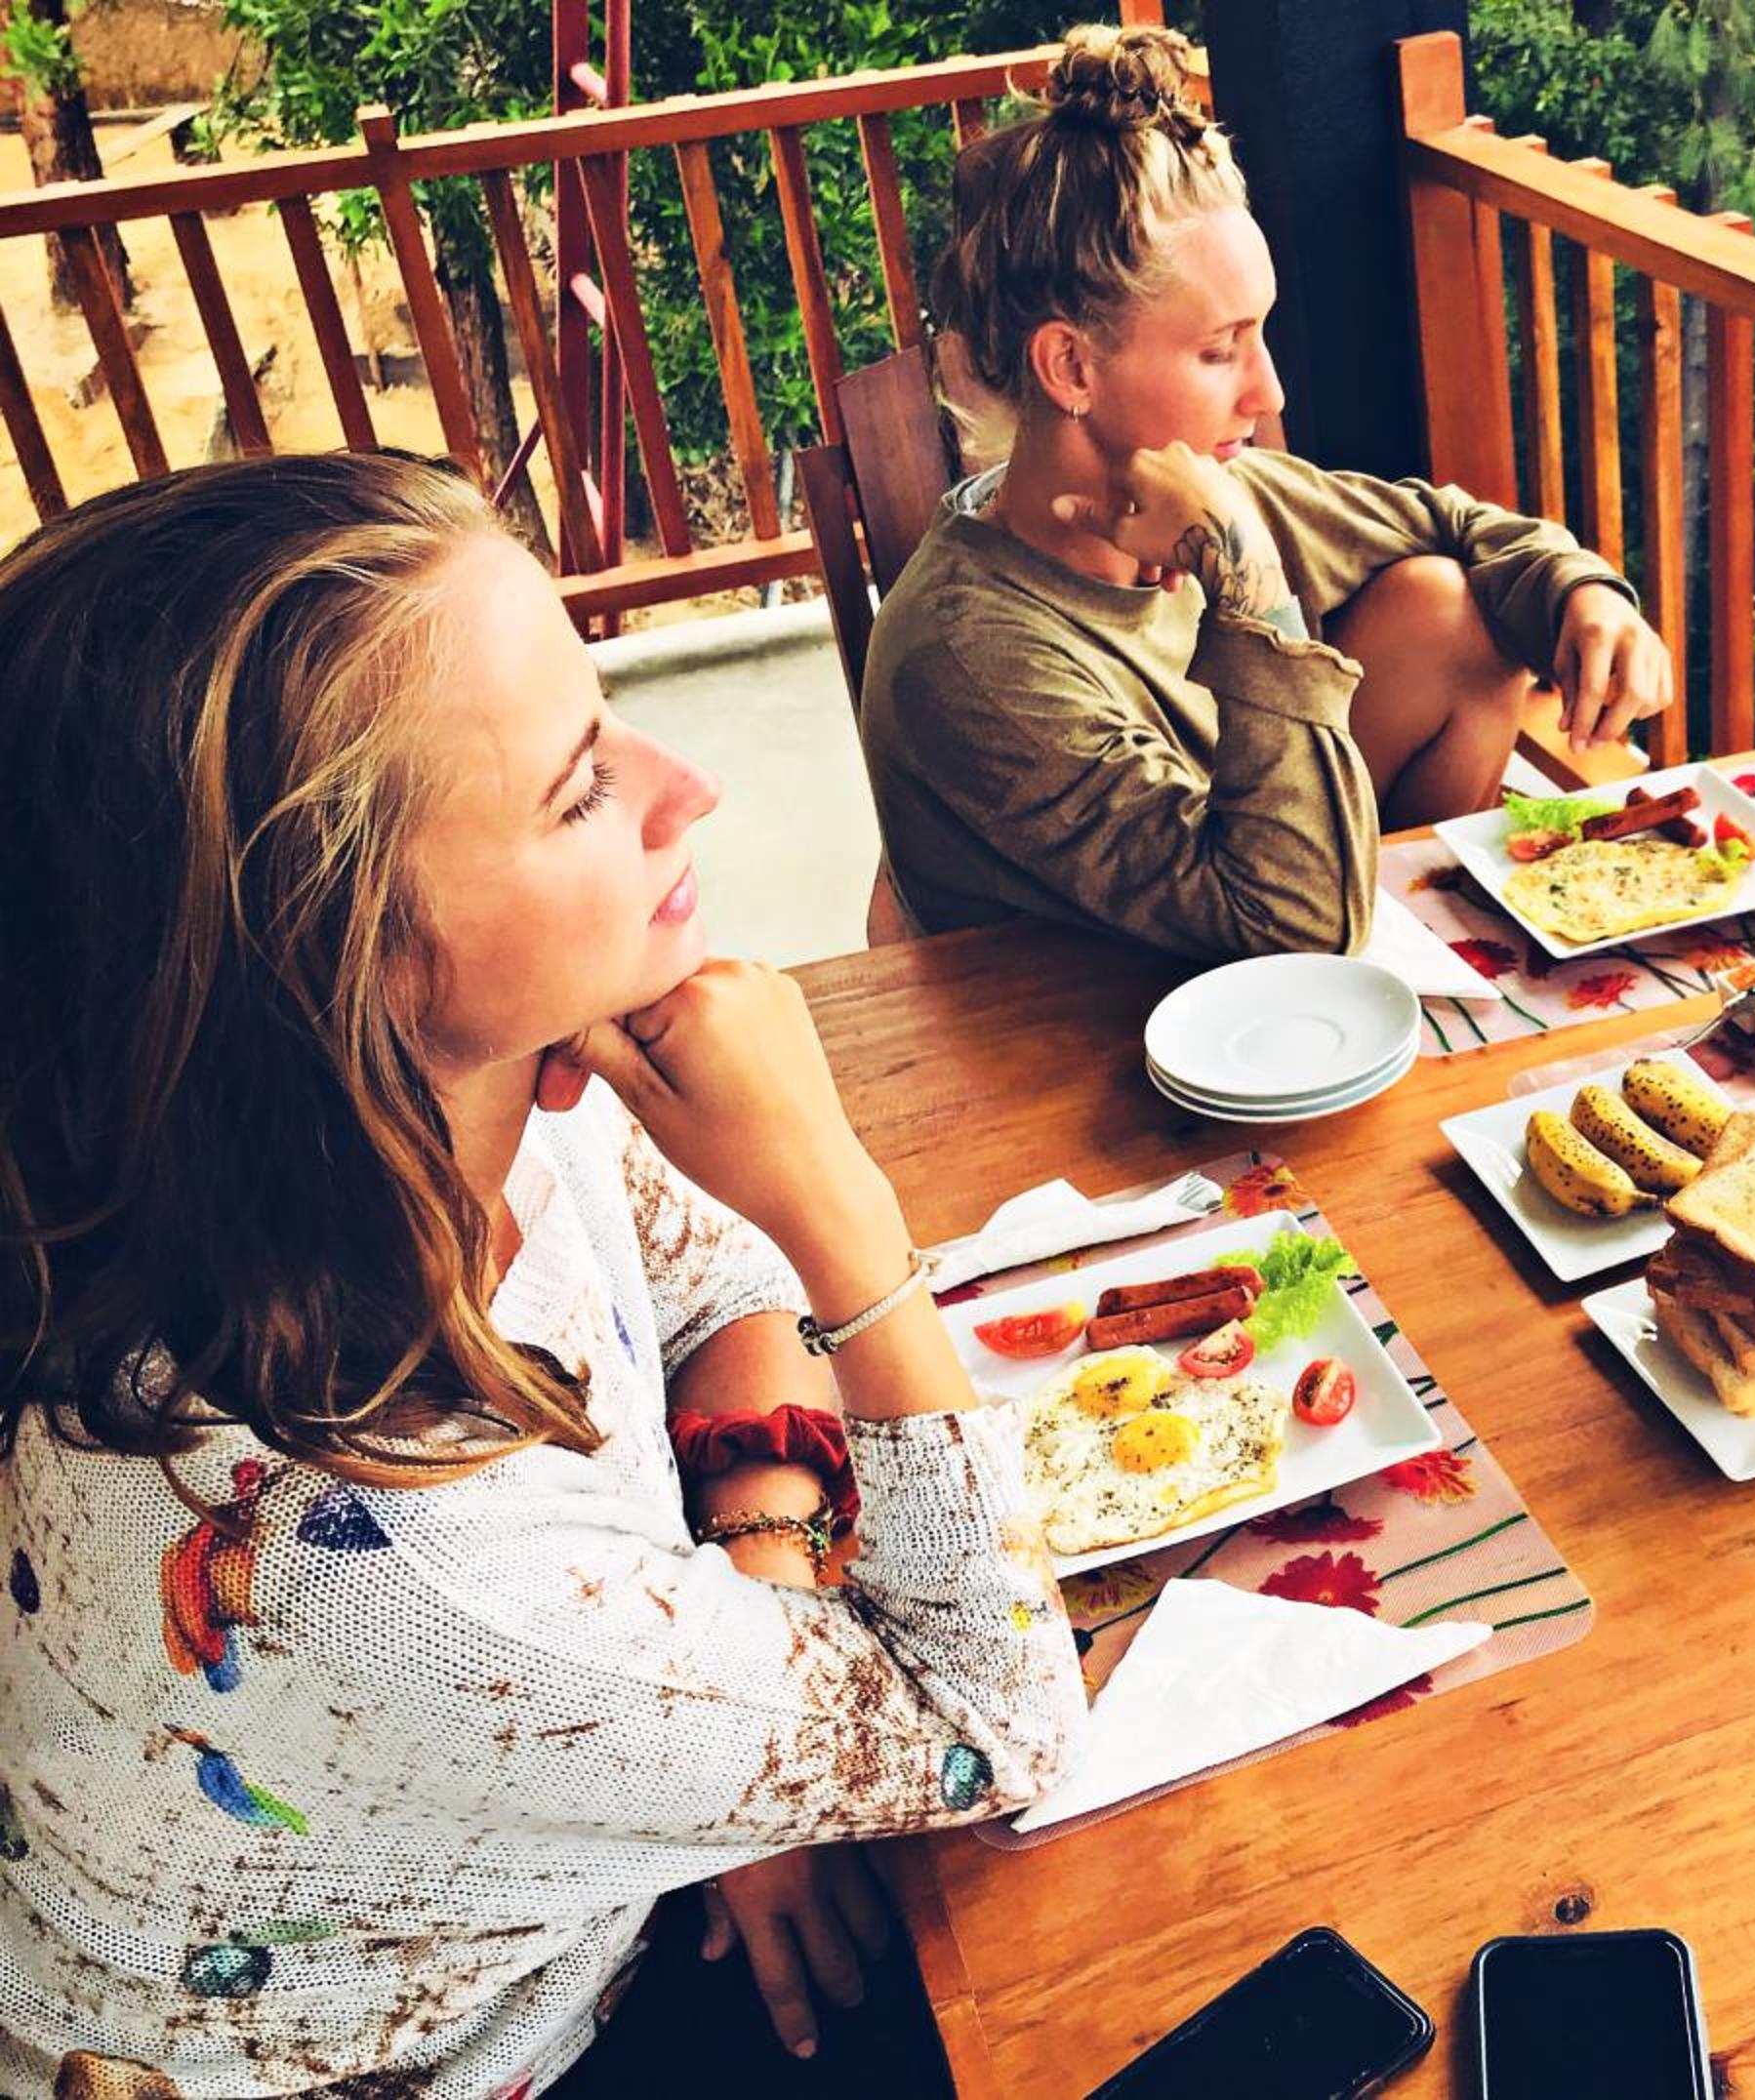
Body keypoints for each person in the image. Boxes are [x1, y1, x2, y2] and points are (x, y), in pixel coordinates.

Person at [0, 454, 1083, 2097]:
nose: (689, 786)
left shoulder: (426, 1112)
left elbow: (712, 1271)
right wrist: (842, 1206)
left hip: (573, 1890)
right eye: (580, 789)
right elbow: (1000, 1724)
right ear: (346, 960)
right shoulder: (406, 1570)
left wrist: (750, 1635)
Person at [862, 20, 1675, 957]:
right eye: (1220, 350)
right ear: (1071, 367)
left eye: (1262, 335)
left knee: (1446, 606)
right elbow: (1295, 927)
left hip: (1280, 918)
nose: (1269, 393)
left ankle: (1434, 961)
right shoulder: (968, 660)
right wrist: (1247, 580)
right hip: (1087, 1013)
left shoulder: (1217, 488)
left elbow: (1452, 526)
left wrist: (1583, 594)